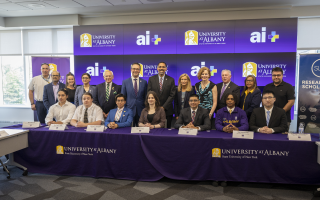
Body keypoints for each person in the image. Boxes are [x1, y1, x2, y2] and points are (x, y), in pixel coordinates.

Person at [147, 62, 176, 128]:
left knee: (167, 129)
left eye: (163, 67)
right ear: (157, 68)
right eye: (160, 67)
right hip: (154, 109)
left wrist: (163, 107)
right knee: (154, 129)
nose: (161, 68)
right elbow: (149, 93)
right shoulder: (151, 79)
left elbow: (172, 95)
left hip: (167, 110)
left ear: (166, 69)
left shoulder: (171, 80)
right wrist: (156, 105)